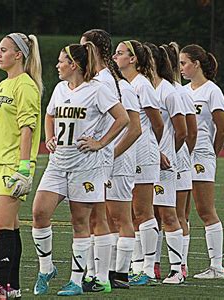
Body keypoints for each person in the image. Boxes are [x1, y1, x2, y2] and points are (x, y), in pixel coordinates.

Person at [30, 42, 129, 296]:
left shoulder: (97, 90)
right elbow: (50, 114)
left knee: (80, 222)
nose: (57, 65)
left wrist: (101, 143)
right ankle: (46, 268)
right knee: (39, 212)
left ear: (74, 64)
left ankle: (75, 280)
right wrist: (49, 137)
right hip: (58, 162)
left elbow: (123, 118)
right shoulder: (61, 89)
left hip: (85, 166)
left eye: (62, 60)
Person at [0, 32, 42, 299]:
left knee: (2, 225)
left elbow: (27, 128)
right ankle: (12, 287)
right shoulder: (1, 86)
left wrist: (25, 168)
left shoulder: (25, 85)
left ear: (19, 55)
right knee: (11, 226)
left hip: (11, 165)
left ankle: (3, 286)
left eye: (4, 50)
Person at [80, 29, 142, 289]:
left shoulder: (113, 83)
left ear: (94, 49)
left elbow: (135, 127)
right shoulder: (97, 80)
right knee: (100, 216)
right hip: (102, 158)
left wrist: (109, 152)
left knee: (118, 217)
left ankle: (119, 274)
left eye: (84, 47)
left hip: (117, 159)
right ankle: (101, 272)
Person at [113, 40, 164, 285]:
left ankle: (148, 267)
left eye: (121, 53)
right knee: (132, 213)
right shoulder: (121, 84)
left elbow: (158, 123)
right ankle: (135, 265)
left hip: (142, 153)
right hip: (128, 153)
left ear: (133, 59)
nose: (115, 56)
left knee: (143, 211)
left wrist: (155, 149)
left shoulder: (142, 85)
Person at [180, 44, 224, 279]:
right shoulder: (184, 91)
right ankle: (181, 265)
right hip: (183, 155)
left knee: (205, 210)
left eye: (184, 63)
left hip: (201, 155)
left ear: (196, 63)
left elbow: (222, 128)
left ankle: (217, 266)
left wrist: (212, 152)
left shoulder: (212, 91)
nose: (181, 68)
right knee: (182, 212)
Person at [145, 42, 188, 284]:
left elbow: (182, 131)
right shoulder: (142, 88)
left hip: (163, 165)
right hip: (143, 163)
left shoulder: (169, 91)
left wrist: (167, 152)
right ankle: (149, 267)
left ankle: (177, 269)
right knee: (146, 214)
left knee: (168, 214)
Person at [160, 42, 197, 278]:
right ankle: (152, 264)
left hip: (177, 158)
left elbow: (189, 131)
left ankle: (180, 264)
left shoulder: (179, 91)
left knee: (178, 214)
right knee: (156, 214)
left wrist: (178, 154)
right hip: (167, 157)